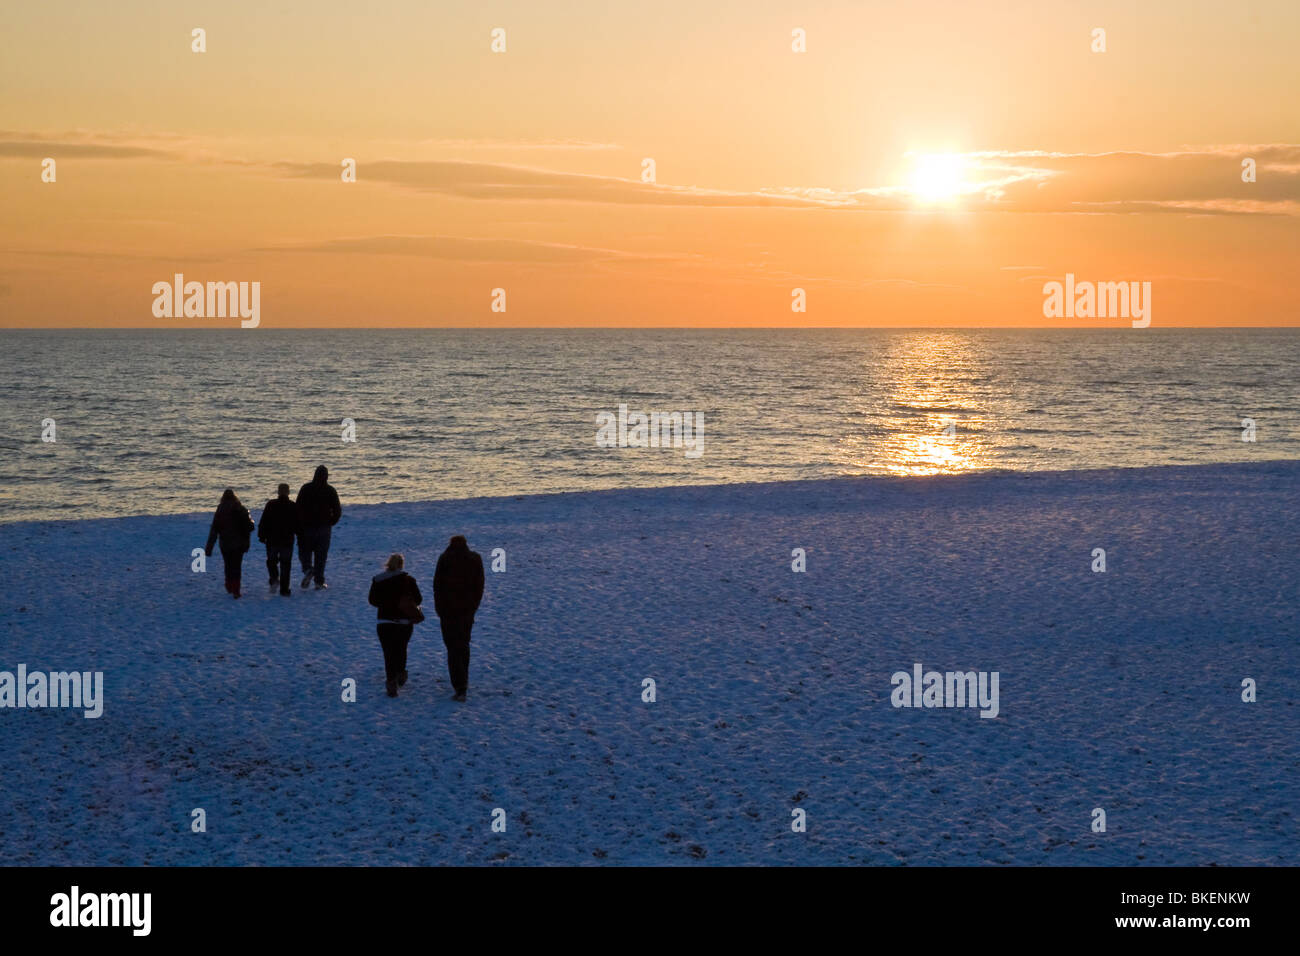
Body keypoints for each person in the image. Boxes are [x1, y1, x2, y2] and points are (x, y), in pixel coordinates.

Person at [432, 535, 484, 702]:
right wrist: (474, 606)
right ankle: (463, 682)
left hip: (448, 611)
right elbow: (480, 585)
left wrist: (439, 608)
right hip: (467, 611)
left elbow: (437, 586)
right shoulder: (475, 559)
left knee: (452, 647)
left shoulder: (445, 558)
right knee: (463, 645)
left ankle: (460, 685)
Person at [367, 553, 424, 698]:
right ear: (401, 564)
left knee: (388, 653)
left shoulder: (378, 579)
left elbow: (372, 600)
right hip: (404, 623)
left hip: (384, 622)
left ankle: (391, 681)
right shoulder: (408, 580)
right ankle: (401, 672)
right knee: (401, 648)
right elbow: (418, 599)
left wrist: (386, 603)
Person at [296, 465, 341, 590]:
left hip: (307, 527)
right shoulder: (330, 490)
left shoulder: (306, 488)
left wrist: (299, 524)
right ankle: (319, 581)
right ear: (326, 476)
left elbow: (298, 507)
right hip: (324, 527)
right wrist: (331, 522)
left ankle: (307, 570)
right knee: (321, 555)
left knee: (304, 552)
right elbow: (337, 510)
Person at [205, 488, 254, 599]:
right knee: (237, 566)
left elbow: (214, 529)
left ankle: (229, 584)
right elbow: (250, 527)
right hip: (239, 543)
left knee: (228, 564)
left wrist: (209, 548)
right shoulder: (241, 508)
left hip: (225, 543)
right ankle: (236, 589)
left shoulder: (220, 509)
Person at [257, 483, 301, 596]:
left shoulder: (271, 504)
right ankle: (284, 589)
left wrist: (261, 535)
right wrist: (300, 536)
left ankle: (274, 578)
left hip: (272, 539)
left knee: (271, 561)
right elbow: (298, 525)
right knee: (286, 564)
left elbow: (263, 522)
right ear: (288, 492)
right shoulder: (293, 506)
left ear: (278, 492)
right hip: (287, 540)